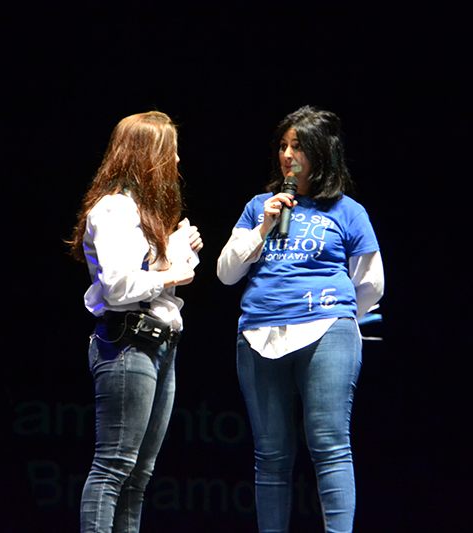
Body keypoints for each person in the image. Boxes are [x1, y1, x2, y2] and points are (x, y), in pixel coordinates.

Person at [217, 106, 384, 532]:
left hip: (327, 330)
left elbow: (370, 283)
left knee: (329, 445)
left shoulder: (348, 211)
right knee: (271, 455)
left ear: (321, 153)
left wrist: (337, 314)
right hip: (258, 334)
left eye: (298, 146)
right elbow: (226, 273)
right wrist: (263, 228)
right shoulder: (259, 207)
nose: (287, 155)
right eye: (283, 146)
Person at [68, 111, 203, 533]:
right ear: (148, 156)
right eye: (170, 153)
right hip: (128, 343)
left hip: (161, 344)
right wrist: (172, 273)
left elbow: (150, 274)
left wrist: (179, 250)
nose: (177, 161)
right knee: (113, 467)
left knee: (138, 476)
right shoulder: (115, 209)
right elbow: (118, 288)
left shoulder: (144, 213)